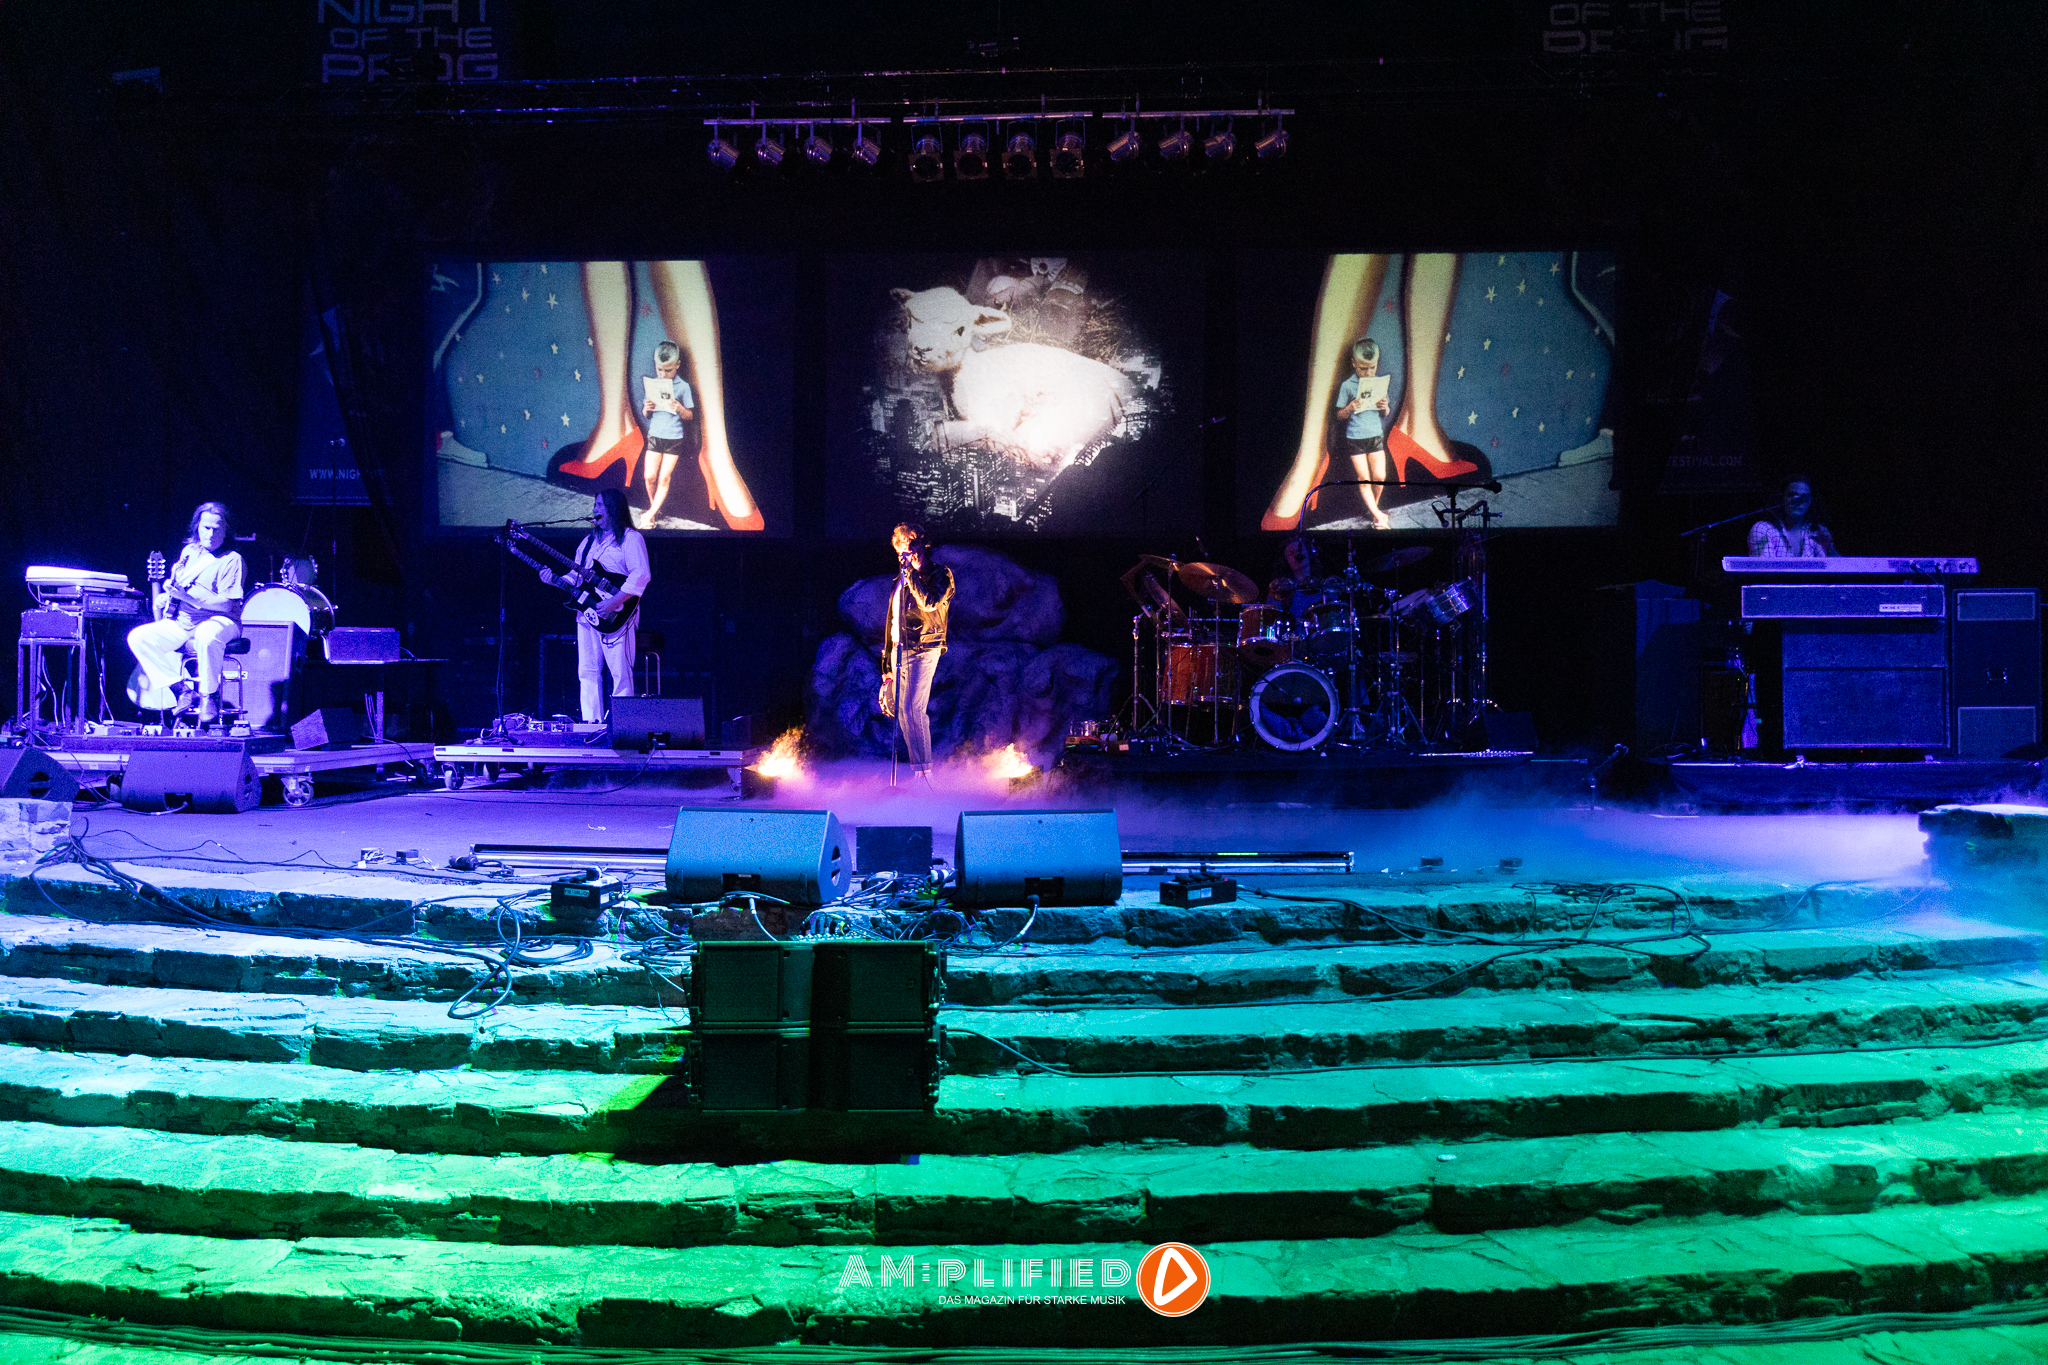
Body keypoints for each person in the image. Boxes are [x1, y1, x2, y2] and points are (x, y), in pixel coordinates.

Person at [127, 501, 245, 723]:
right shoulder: (189, 553)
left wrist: (186, 597)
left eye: (217, 529)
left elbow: (226, 605)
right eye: (206, 527)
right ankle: (180, 689)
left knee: (207, 635)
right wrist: (168, 596)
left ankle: (208, 696)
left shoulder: (232, 560)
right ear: (197, 527)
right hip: (184, 623)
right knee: (138, 637)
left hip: (221, 621)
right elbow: (180, 589)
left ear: (226, 531)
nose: (211, 534)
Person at [541, 488, 651, 723]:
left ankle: (623, 726)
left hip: (618, 614)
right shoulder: (588, 542)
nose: (595, 509)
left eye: (600, 505)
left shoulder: (631, 538)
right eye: (595, 505)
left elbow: (641, 574)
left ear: (613, 509)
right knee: (587, 671)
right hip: (587, 613)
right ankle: (592, 725)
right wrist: (555, 580)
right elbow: (576, 577)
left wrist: (614, 601)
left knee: (620, 672)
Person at [881, 522, 954, 778]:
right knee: (903, 712)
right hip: (898, 650)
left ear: (923, 544)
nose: (907, 550)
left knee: (914, 709)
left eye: (911, 543)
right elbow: (892, 621)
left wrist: (911, 575)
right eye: (902, 546)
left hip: (924, 648)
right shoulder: (899, 580)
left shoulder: (940, 574)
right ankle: (918, 771)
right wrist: (886, 666)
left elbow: (929, 602)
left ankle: (925, 774)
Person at [1332, 339, 1394, 529]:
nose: (1368, 372)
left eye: (1372, 368)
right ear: (1354, 363)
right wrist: (1349, 408)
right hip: (1355, 438)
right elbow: (1338, 416)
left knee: (1380, 476)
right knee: (1364, 478)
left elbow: (1385, 413)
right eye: (1363, 368)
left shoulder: (1379, 383)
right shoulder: (1347, 385)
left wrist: (1385, 407)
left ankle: (1373, 509)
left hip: (1375, 435)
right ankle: (1377, 515)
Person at [639, 340, 696, 528]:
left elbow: (690, 416)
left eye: (668, 370)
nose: (663, 374)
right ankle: (654, 508)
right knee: (649, 476)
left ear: (677, 365)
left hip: (674, 438)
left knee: (664, 478)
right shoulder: (653, 384)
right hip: (655, 435)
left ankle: (650, 515)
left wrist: (680, 408)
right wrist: (646, 408)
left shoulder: (683, 387)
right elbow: (646, 414)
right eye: (659, 370)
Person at [1748, 477, 1837, 558]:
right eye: (1792, 495)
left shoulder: (1816, 532)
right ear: (1782, 497)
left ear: (1810, 501)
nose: (1798, 502)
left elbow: (1835, 568)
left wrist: (1829, 548)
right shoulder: (1763, 529)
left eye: (1804, 497)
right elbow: (1765, 568)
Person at [1265, 534, 1327, 623]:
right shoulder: (1278, 589)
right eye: (1291, 553)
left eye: (1300, 550)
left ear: (1309, 553)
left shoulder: (1325, 586)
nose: (1297, 554)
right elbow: (1271, 619)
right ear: (1286, 560)